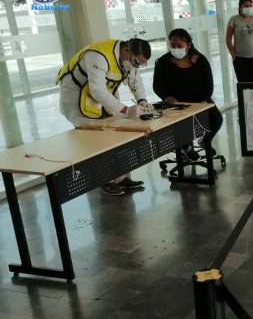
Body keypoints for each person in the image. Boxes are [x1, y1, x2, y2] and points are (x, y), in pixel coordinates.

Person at [57, 37, 152, 195]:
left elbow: (135, 81)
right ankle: (103, 180)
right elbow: (98, 91)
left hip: (99, 95)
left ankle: (120, 178)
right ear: (127, 51)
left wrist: (142, 100)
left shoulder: (128, 60)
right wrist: (126, 110)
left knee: (116, 133)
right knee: (94, 140)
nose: (136, 66)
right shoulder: (98, 55)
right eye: (136, 62)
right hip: (76, 96)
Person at [153, 28, 223, 158]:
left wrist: (205, 99)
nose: (175, 48)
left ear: (188, 45)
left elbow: (209, 84)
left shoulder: (199, 59)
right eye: (172, 45)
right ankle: (186, 147)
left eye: (179, 45)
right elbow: (157, 86)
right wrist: (167, 97)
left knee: (216, 119)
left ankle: (205, 141)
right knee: (182, 124)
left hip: (199, 99)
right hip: (176, 102)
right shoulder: (163, 62)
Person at [226, 0, 253, 82]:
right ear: (240, 7)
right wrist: (233, 55)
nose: (249, 8)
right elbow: (228, 39)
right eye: (246, 6)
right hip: (240, 58)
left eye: (250, 5)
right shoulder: (234, 19)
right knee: (243, 84)